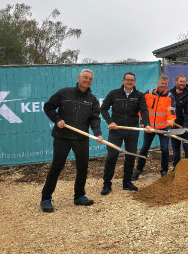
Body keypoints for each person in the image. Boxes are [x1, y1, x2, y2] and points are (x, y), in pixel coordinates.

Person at [40, 69, 103, 212]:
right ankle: (46, 198)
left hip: (81, 138)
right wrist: (57, 119)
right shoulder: (64, 93)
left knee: (82, 167)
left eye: (90, 79)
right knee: (57, 166)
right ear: (79, 78)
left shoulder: (92, 99)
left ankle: (79, 196)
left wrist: (97, 134)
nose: (87, 80)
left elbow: (94, 118)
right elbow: (48, 107)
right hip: (62, 136)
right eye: (85, 77)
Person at [99, 72, 151, 195]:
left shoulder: (139, 95)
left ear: (135, 82)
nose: (129, 82)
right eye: (127, 79)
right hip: (116, 130)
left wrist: (147, 124)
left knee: (130, 157)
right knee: (112, 156)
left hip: (132, 131)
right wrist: (110, 122)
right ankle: (107, 184)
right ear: (123, 81)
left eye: (132, 80)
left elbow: (144, 110)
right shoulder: (114, 93)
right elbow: (103, 108)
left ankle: (127, 182)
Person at [133, 75, 176, 178]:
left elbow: (171, 114)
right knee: (144, 148)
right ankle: (139, 169)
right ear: (158, 83)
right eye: (162, 83)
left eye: (165, 84)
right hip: (150, 127)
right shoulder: (148, 93)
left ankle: (164, 171)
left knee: (164, 149)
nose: (163, 85)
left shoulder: (170, 97)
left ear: (167, 85)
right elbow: (142, 108)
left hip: (164, 128)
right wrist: (143, 121)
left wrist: (169, 128)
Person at [170, 74, 188, 169]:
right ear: (176, 82)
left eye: (184, 82)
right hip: (174, 126)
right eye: (181, 81)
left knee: (187, 148)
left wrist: (186, 126)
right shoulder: (170, 94)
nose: (183, 83)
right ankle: (176, 168)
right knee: (176, 149)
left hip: (186, 127)